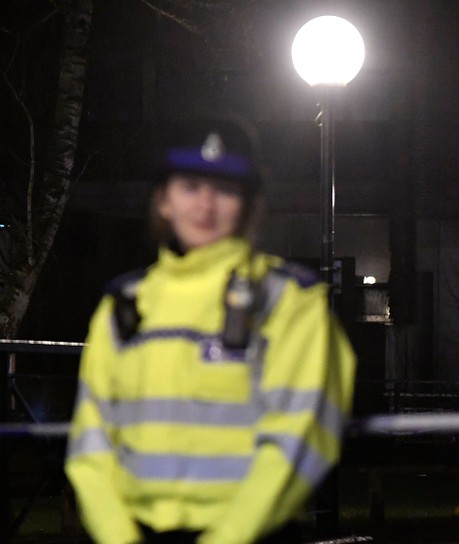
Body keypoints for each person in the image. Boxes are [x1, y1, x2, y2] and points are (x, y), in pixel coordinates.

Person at [64, 117, 357, 544]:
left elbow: (301, 436)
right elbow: (91, 441)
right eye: (190, 187)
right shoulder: (125, 303)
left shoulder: (289, 302)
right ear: (163, 201)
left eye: (224, 190)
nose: (205, 206)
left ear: (249, 205)